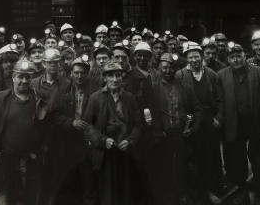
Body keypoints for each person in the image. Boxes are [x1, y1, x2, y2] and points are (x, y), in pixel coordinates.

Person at [217, 43, 260, 205]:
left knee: (258, 157)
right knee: (237, 159)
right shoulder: (221, 75)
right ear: (228, 59)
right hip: (234, 124)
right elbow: (219, 102)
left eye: (239, 55)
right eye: (232, 57)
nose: (236, 59)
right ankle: (241, 189)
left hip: (255, 123)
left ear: (245, 55)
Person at [0, 59, 42, 205]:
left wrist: (38, 151)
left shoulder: (37, 99)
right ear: (13, 77)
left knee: (28, 196)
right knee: (5, 196)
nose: (24, 80)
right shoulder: (0, 98)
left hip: (28, 159)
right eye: (20, 76)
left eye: (28, 77)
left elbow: (43, 127)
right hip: (5, 158)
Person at [83, 61, 144, 205]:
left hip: (125, 151)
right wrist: (102, 140)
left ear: (122, 77)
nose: (115, 79)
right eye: (110, 76)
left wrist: (130, 140)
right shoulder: (95, 98)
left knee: (125, 191)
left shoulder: (129, 98)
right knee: (107, 192)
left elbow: (138, 124)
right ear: (104, 78)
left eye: (118, 75)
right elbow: (87, 126)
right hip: (105, 153)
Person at [147, 52, 203, 205]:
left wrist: (193, 128)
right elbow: (151, 111)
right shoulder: (153, 89)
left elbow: (198, 109)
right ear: (159, 69)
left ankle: (183, 195)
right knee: (164, 168)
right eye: (164, 68)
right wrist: (158, 130)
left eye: (171, 68)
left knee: (183, 167)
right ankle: (167, 197)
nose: (167, 71)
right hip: (163, 135)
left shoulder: (185, 88)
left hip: (182, 134)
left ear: (175, 69)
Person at [175, 43, 223, 198]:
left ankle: (215, 187)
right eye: (190, 57)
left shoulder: (211, 74)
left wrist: (218, 117)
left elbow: (220, 99)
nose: (194, 60)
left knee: (213, 155)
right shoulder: (180, 75)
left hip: (210, 121)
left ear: (202, 57)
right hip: (192, 122)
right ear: (186, 59)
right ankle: (196, 190)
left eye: (196, 56)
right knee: (194, 157)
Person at [51, 55, 97, 205]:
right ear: (71, 74)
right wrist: (71, 122)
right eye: (76, 72)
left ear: (87, 74)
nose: (79, 76)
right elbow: (55, 116)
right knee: (68, 179)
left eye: (82, 73)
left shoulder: (95, 91)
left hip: (88, 141)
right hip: (68, 141)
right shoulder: (62, 90)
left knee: (89, 180)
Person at [31, 48, 70, 205]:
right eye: (50, 63)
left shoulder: (67, 84)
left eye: (56, 62)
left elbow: (67, 108)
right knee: (38, 173)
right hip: (38, 134)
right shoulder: (34, 83)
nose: (53, 66)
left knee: (56, 171)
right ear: (44, 64)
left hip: (58, 134)